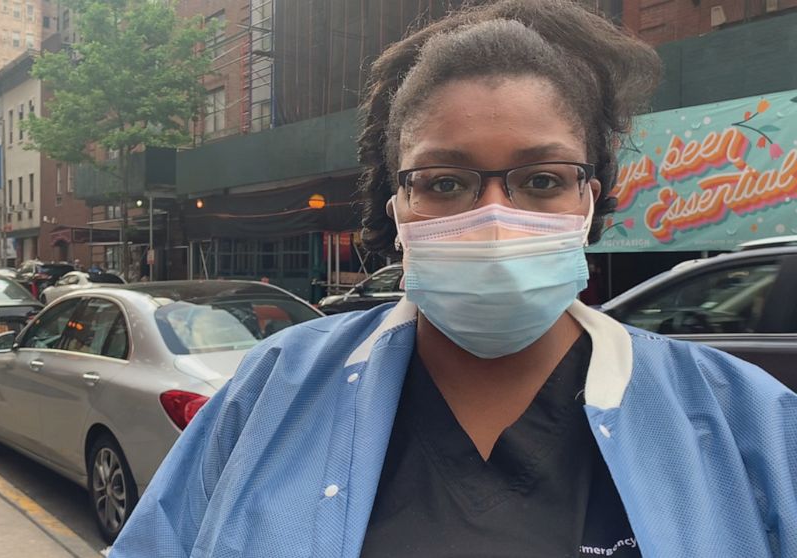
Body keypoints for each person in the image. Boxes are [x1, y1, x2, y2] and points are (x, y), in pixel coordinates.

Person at [111, 2, 796, 557]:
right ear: (397, 208)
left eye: (541, 180)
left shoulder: (748, 423)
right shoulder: (272, 393)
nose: (495, 217)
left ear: (590, 200)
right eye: (443, 182)